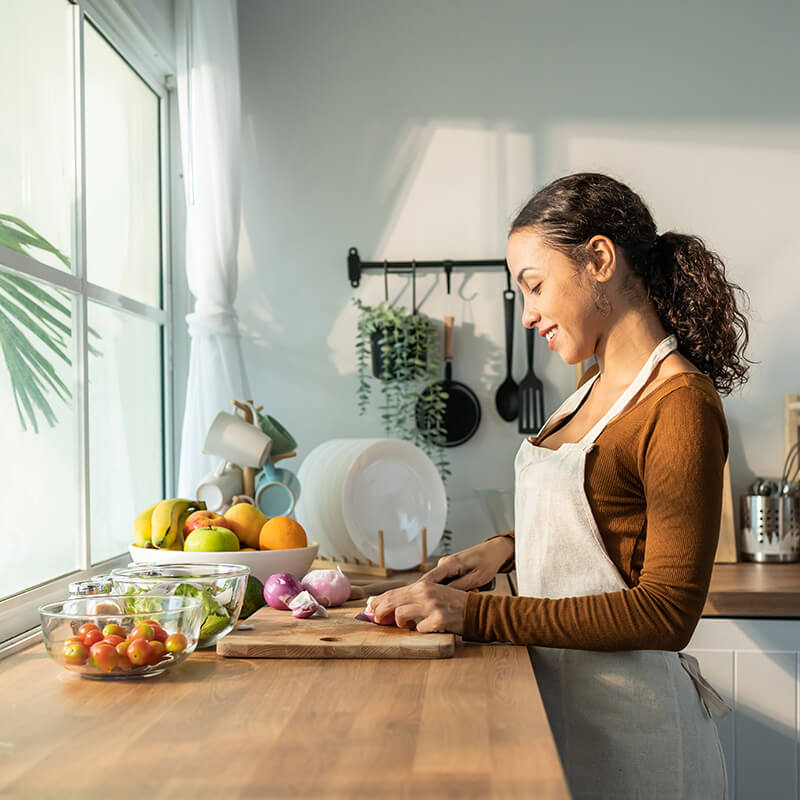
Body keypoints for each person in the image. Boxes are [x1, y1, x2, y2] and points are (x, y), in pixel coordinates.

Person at [370, 173, 750, 798]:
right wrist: (505, 547)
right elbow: (610, 523)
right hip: (562, 719)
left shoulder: (679, 404)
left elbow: (666, 612)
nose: (529, 316)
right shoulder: (589, 392)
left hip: (638, 743)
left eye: (536, 286)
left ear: (599, 260)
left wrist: (476, 614)